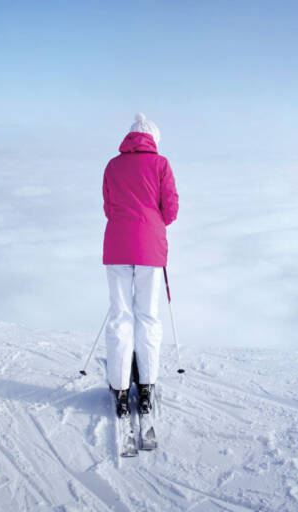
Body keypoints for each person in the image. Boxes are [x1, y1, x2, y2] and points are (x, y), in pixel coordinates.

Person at [102, 113, 179, 421]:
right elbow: (170, 210)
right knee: (147, 315)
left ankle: (119, 388)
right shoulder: (161, 165)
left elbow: (108, 207)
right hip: (150, 250)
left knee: (120, 315)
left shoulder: (112, 165)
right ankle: (146, 386)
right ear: (153, 139)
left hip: (117, 247)